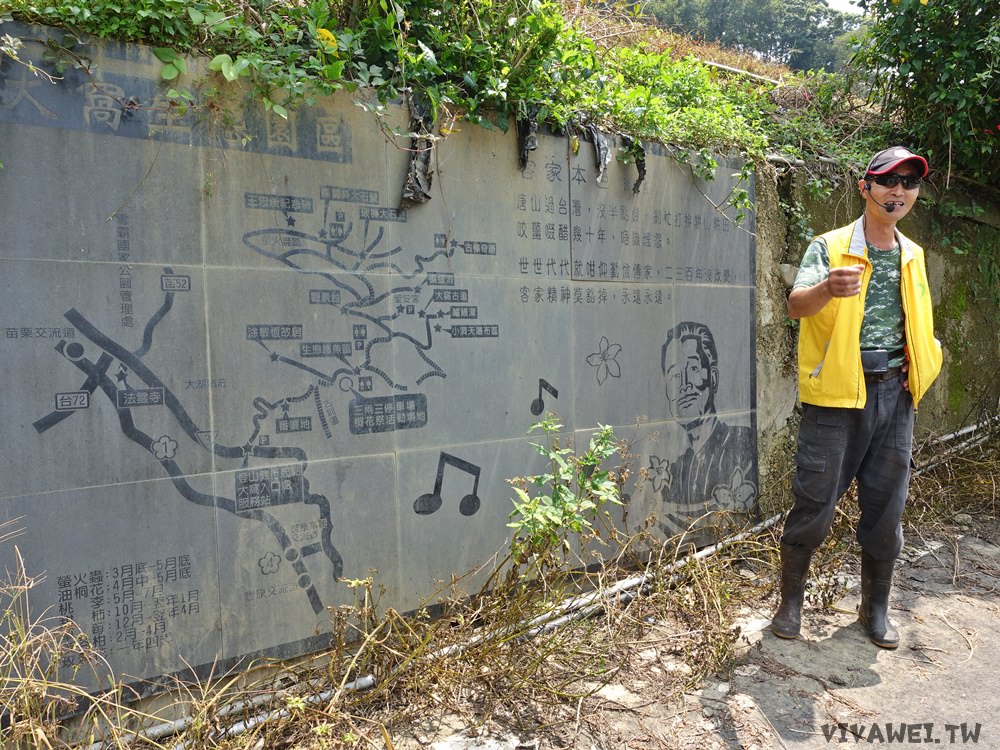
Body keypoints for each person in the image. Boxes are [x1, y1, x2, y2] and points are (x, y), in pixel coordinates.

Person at [770, 147, 943, 649]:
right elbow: (795, 305)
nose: (900, 191)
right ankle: (791, 602)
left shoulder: (913, 255)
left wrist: (926, 356)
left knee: (887, 509)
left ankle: (876, 607)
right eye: (890, 181)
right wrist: (828, 288)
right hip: (837, 396)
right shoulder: (830, 246)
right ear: (866, 187)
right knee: (815, 503)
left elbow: (917, 318)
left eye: (910, 183)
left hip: (896, 397)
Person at [657, 321, 756, 536]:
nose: (684, 384)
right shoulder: (674, 470)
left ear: (713, 378)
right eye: (674, 374)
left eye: (693, 368)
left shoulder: (741, 443)